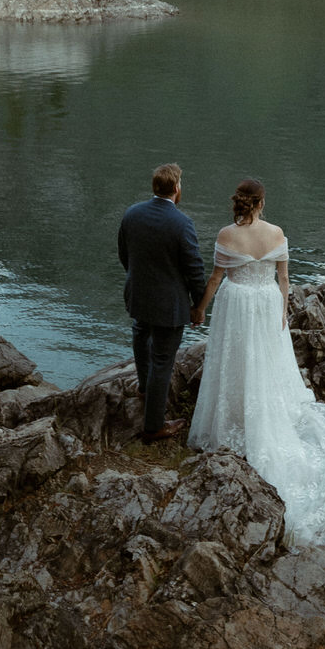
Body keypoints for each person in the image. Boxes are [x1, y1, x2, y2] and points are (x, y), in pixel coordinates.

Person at [188, 176, 325, 546]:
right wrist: (281, 314)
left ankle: (232, 416)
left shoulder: (225, 235)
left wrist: (199, 308)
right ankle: (261, 413)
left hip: (237, 304)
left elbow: (217, 279)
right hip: (266, 303)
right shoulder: (278, 233)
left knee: (234, 361)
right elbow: (284, 279)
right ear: (262, 202)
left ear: (239, 202)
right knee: (264, 363)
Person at [118, 162, 207, 442]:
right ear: (177, 188)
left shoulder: (132, 214)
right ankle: (154, 425)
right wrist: (199, 305)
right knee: (162, 361)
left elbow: (124, 254)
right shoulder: (182, 223)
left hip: (139, 294)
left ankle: (144, 388)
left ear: (155, 187)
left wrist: (139, 280)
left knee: (140, 334)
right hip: (169, 304)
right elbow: (194, 269)